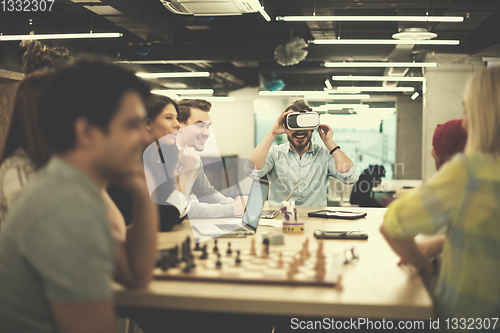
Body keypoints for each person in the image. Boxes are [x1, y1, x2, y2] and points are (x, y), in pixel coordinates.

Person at [0, 59, 159, 332]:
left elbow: (136, 275)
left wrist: (143, 195)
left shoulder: (74, 190)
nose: (145, 137)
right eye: (132, 125)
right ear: (86, 132)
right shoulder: (65, 207)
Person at [381, 65, 500, 322]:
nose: (465, 123)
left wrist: (423, 266)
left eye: (469, 111)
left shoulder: (471, 171)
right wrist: (442, 243)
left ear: (488, 116)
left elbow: (392, 224)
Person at [108, 94, 200, 231]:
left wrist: (180, 184)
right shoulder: (131, 164)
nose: (177, 125)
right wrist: (186, 177)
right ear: (147, 123)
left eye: (176, 118)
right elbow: (163, 221)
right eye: (168, 118)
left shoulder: (158, 161)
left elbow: (175, 215)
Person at [245, 99, 358, 206]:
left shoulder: (324, 155)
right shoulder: (275, 153)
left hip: (315, 220)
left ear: (313, 127)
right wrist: (272, 133)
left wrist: (330, 143)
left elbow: (351, 177)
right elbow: (251, 172)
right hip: (281, 220)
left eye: (305, 123)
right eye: (294, 123)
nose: (300, 131)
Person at [176, 98, 247, 218]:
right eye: (200, 125)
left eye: (208, 127)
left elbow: (206, 193)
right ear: (180, 125)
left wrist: (236, 204)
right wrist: (231, 209)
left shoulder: (193, 156)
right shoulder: (162, 156)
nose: (207, 133)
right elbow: (183, 208)